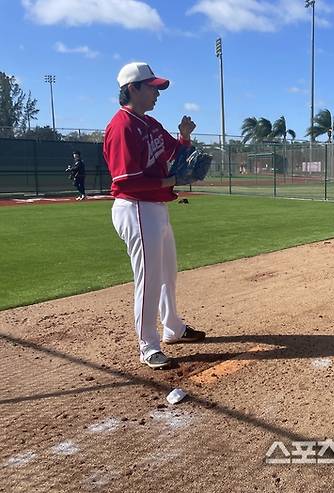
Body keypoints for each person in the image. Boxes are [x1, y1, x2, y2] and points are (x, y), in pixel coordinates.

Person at [103, 62, 205, 370]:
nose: (157, 93)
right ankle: (148, 344)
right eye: (152, 87)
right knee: (148, 278)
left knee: (167, 273)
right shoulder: (122, 126)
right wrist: (171, 181)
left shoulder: (150, 123)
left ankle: (173, 326)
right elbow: (125, 181)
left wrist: (184, 136)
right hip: (135, 207)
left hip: (156, 207)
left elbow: (176, 154)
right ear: (132, 89)